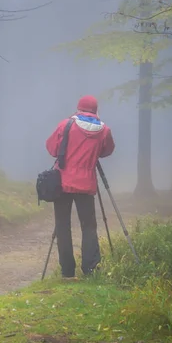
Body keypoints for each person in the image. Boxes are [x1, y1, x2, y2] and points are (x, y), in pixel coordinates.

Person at [45, 95, 115, 278]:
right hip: (87, 184)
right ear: (95, 109)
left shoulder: (65, 125)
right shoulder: (104, 130)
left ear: (79, 108)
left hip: (62, 182)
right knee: (89, 226)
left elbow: (52, 149)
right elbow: (107, 151)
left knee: (62, 226)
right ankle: (90, 269)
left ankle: (68, 272)